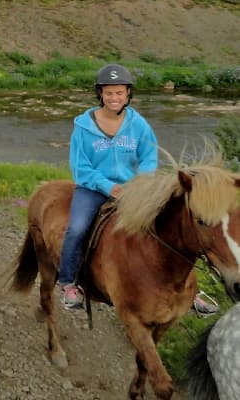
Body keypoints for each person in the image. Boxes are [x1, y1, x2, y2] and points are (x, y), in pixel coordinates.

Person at [58, 63, 217, 315]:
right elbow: (81, 168)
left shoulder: (138, 124)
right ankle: (68, 283)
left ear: (128, 94)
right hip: (94, 189)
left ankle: (191, 291)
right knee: (77, 229)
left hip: (134, 189)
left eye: (119, 93)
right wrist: (109, 187)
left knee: (170, 226)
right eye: (109, 93)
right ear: (100, 94)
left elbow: (148, 157)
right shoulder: (83, 127)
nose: (114, 98)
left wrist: (141, 184)